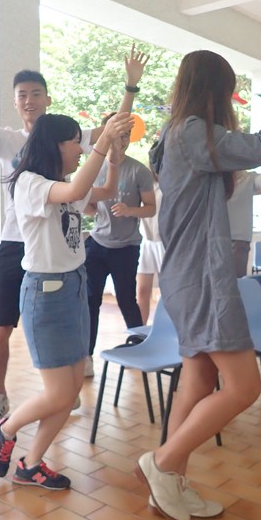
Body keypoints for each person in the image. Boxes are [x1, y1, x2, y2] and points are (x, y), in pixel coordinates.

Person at [135, 30, 261, 520]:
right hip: (201, 276)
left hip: (189, 275)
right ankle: (161, 464)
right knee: (245, 387)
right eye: (227, 93)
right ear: (214, 92)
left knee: (200, 378)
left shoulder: (177, 134)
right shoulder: (188, 132)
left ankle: (172, 483)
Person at [0, 32, 148, 429]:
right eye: (22, 94)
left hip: (56, 250)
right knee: (1, 326)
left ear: (47, 99)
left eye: (35, 93)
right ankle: (0, 397)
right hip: (15, 243)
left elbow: (111, 132)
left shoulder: (62, 134)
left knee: (63, 320)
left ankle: (58, 393)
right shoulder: (9, 140)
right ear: (15, 101)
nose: (29, 100)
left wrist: (130, 87)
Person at [0, 112, 133, 489]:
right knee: (58, 393)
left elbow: (104, 191)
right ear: (54, 145)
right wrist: (101, 144)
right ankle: (7, 427)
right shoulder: (30, 184)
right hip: (46, 294)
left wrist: (114, 155)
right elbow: (72, 193)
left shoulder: (62, 182)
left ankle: (31, 465)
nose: (81, 151)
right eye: (75, 143)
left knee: (68, 398)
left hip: (74, 288)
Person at [84, 113, 156, 372]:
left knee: (127, 298)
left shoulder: (140, 171)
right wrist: (86, 206)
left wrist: (129, 210)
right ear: (107, 133)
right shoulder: (95, 166)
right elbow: (89, 208)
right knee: (91, 300)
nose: (122, 139)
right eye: (119, 133)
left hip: (126, 247)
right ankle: (86, 357)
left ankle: (140, 347)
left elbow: (150, 208)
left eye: (127, 134)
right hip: (97, 244)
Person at [227, 161, 261, 277]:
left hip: (239, 241)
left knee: (237, 285)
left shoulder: (248, 179)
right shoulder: (214, 178)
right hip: (215, 239)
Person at [136, 177, 163, 323]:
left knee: (168, 291)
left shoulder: (175, 181)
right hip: (146, 240)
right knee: (142, 290)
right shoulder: (146, 183)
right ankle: (140, 332)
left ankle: (170, 329)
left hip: (166, 242)